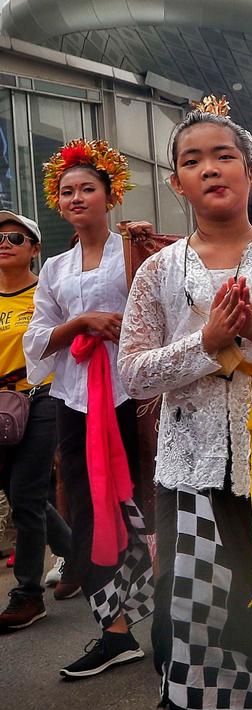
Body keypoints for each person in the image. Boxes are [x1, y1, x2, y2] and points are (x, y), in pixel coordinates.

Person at [117, 96, 252, 709]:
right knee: (188, 611)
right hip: (187, 471)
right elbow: (134, 374)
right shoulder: (157, 272)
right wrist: (207, 344)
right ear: (176, 181)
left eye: (224, 156)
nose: (211, 168)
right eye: (194, 160)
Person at [24, 139, 155, 677]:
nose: (76, 197)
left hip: (138, 398)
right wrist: (80, 324)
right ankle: (115, 631)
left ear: (111, 195)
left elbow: (169, 310)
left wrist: (147, 255)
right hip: (76, 402)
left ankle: (175, 622)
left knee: (147, 506)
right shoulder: (54, 268)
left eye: (87, 188)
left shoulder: (136, 253)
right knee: (87, 511)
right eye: (66, 191)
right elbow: (37, 339)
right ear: (59, 204)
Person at [0, 210, 74, 632]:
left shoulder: (46, 294)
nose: (5, 243)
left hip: (40, 397)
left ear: (34, 247)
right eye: (0, 237)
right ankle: (79, 556)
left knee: (26, 495)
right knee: (20, 494)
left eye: (15, 237)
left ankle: (27, 594)